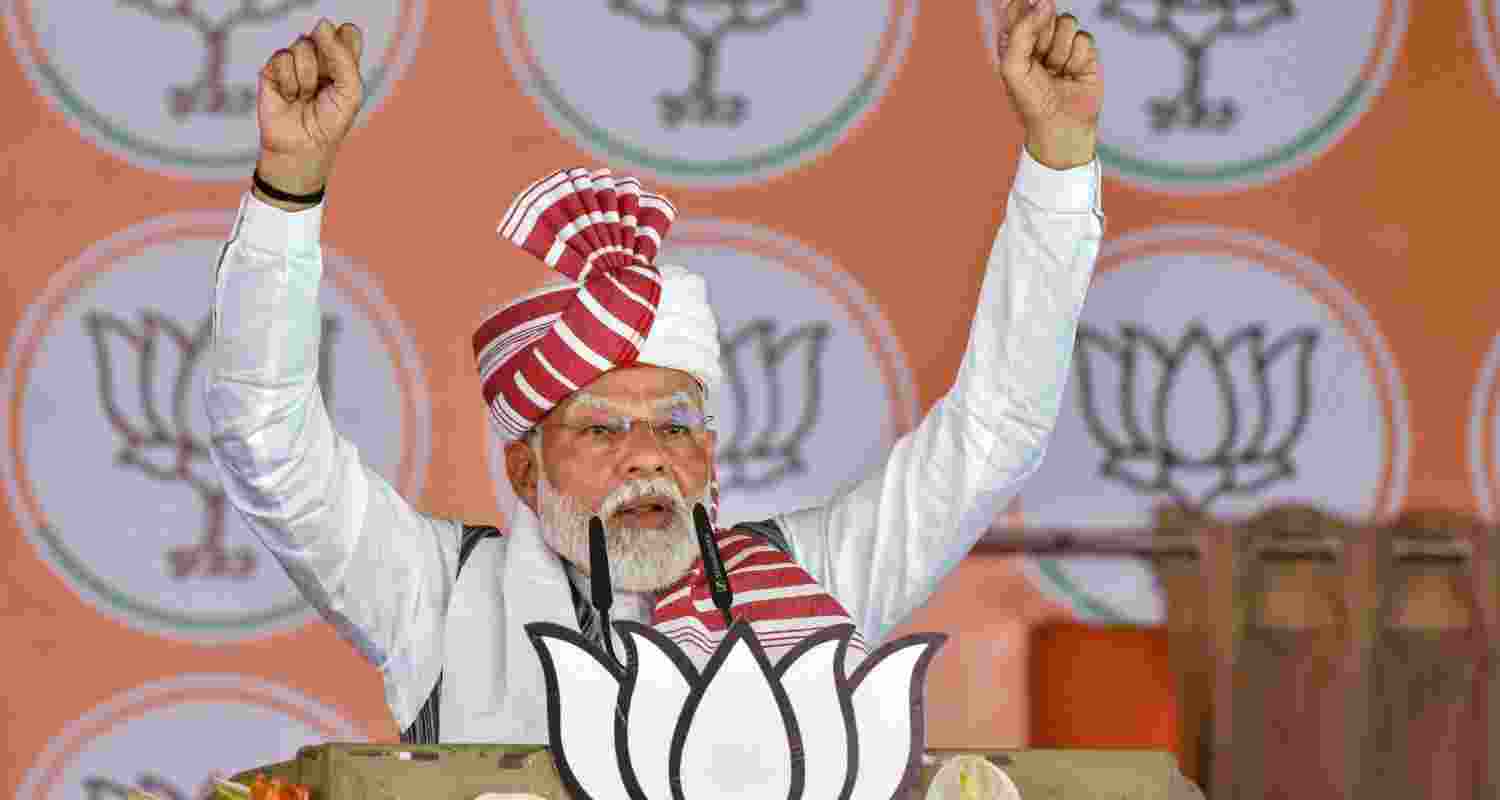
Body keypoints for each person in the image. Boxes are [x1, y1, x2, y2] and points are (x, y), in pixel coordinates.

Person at [207, 0, 1105, 745]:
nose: (647, 460)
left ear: (709, 456)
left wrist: (1060, 162)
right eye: (601, 427)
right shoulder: (434, 596)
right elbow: (268, 443)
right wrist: (290, 187)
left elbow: (995, 426)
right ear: (525, 468)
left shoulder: (809, 573)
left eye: (673, 427)